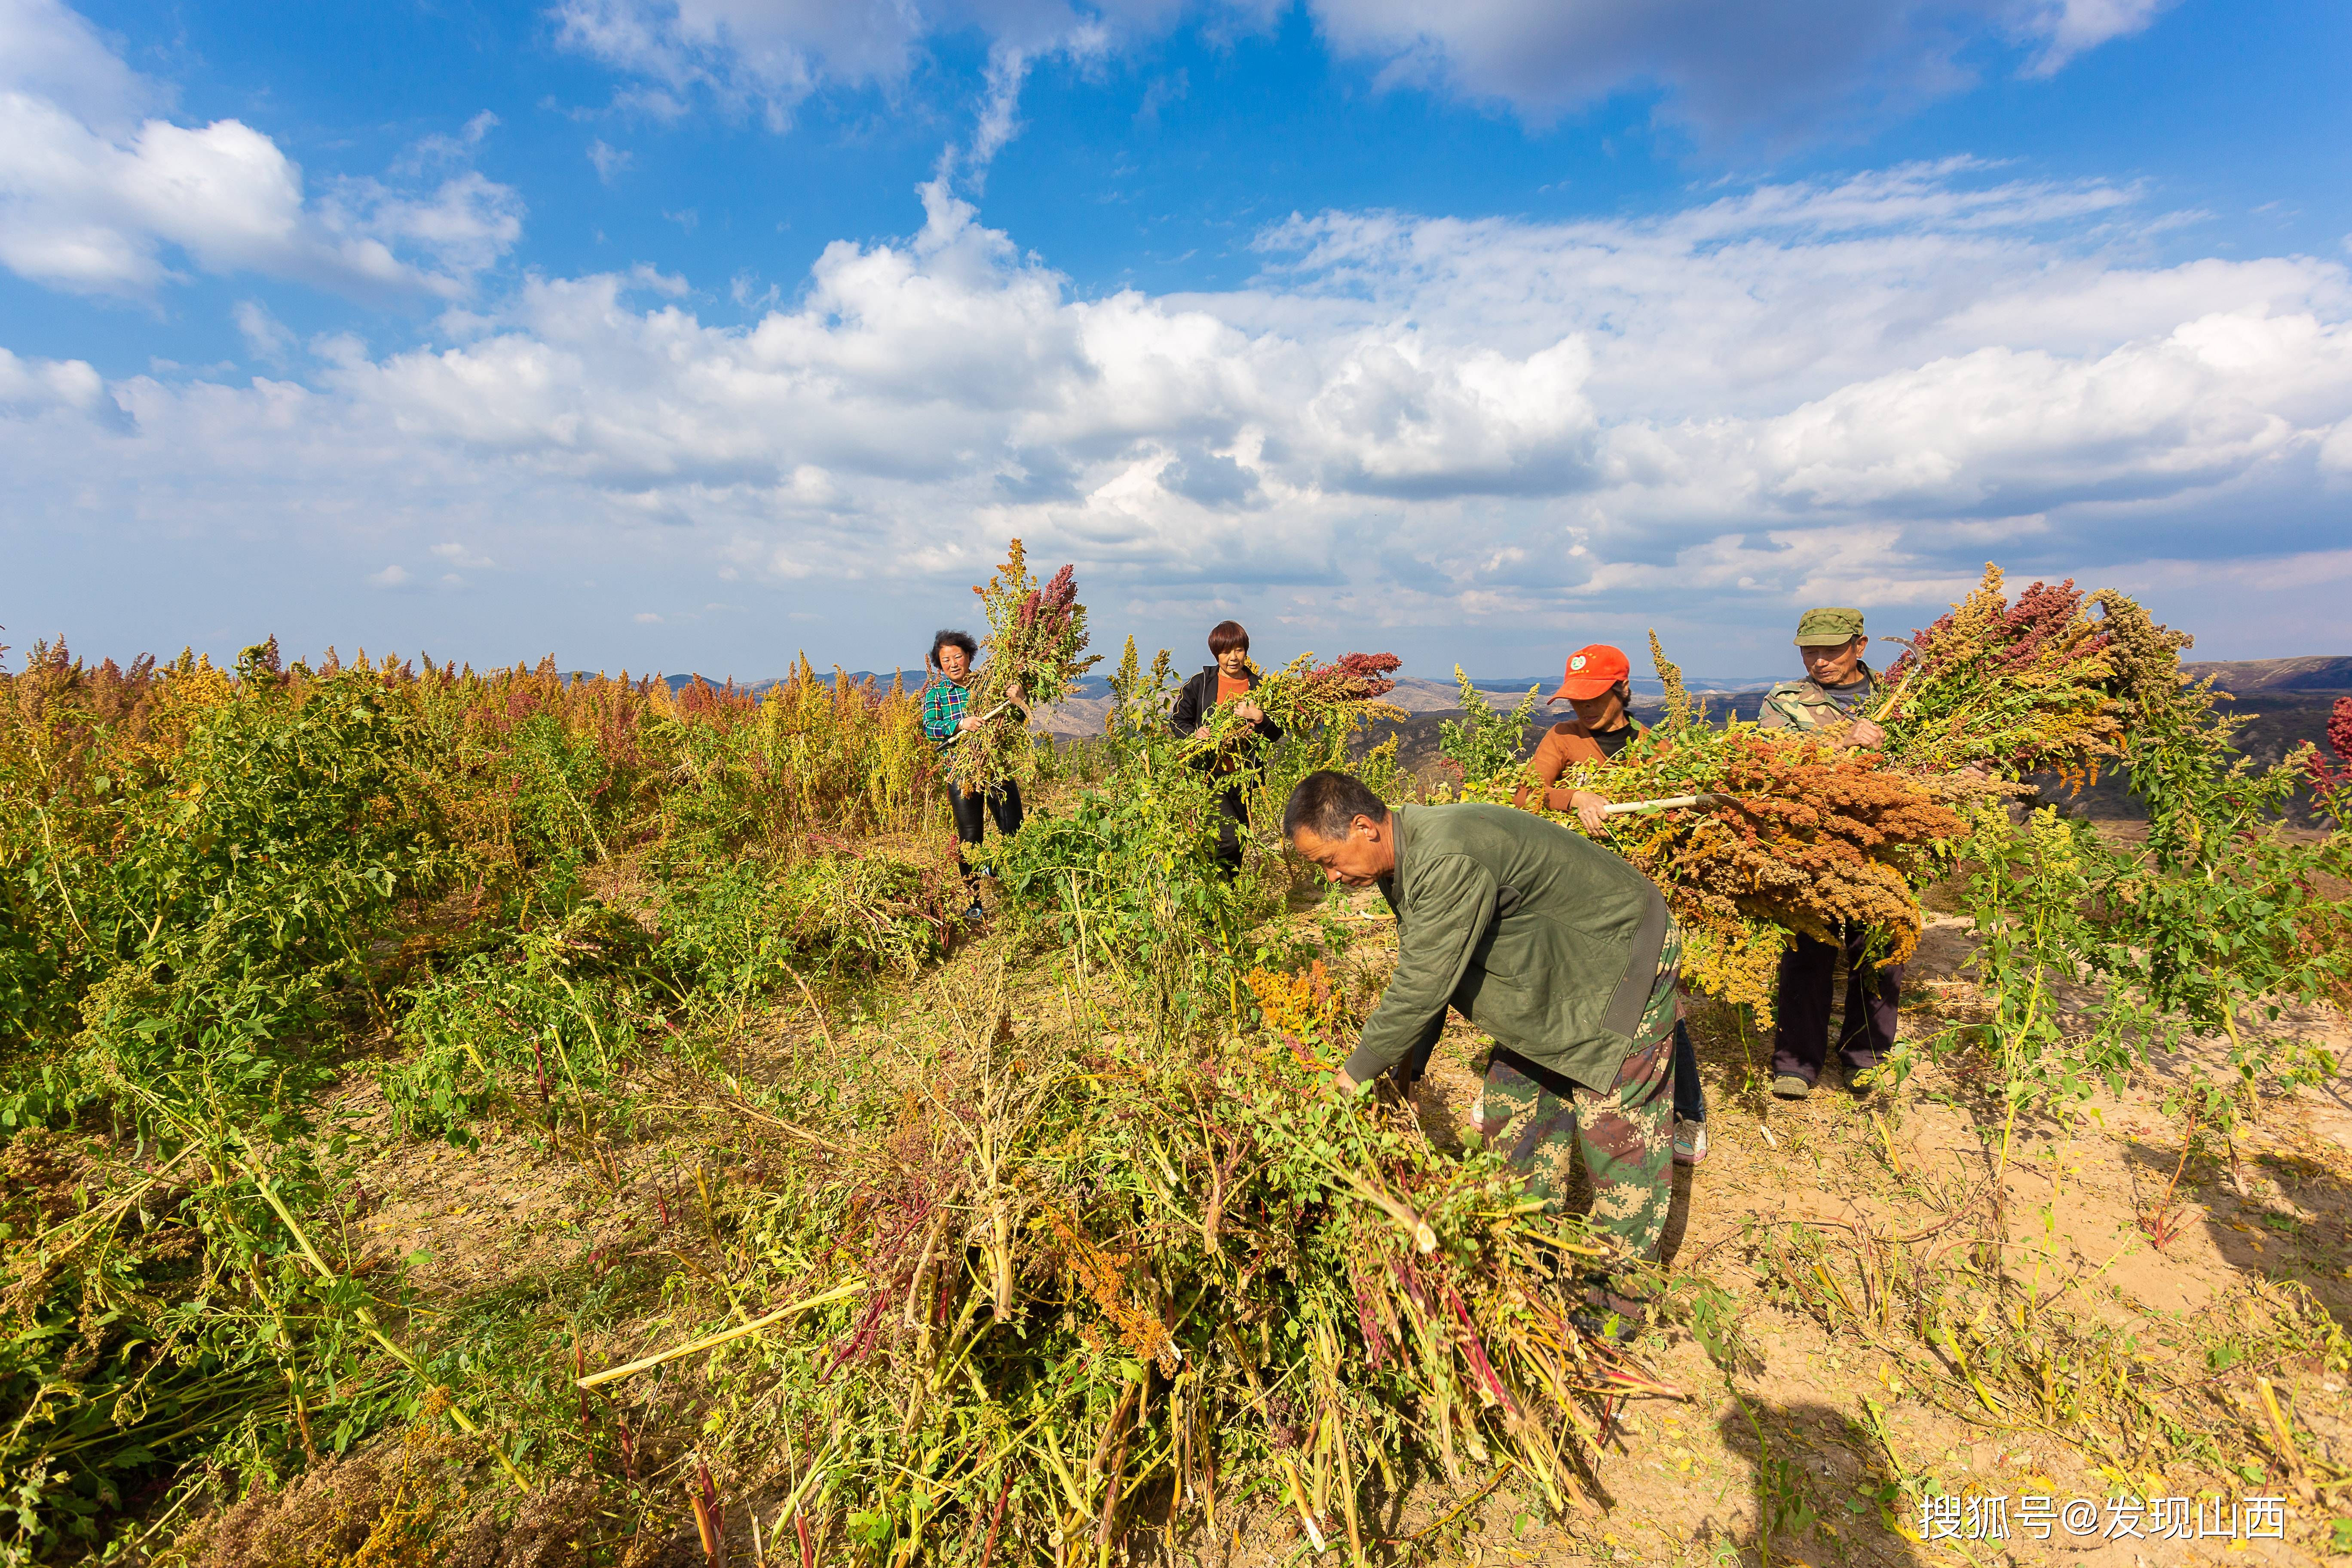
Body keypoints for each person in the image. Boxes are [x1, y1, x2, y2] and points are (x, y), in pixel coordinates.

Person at [1283, 771, 1680, 1311]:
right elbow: (1433, 965)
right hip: (1551, 977)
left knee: (1618, 1140)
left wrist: (1354, 1075)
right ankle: (1527, 1266)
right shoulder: (1403, 854)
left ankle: (1616, 1306)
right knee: (1515, 1122)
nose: (1330, 876)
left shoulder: (1446, 857)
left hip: (1618, 958)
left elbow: (1422, 983)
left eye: (1328, 861)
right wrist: (1411, 1069)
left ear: (1363, 828)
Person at [1511, 644, 1710, 1167]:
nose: (1582, 709)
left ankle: (1689, 1113)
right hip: (1581, 896)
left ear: (1622, 690)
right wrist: (1573, 799)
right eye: (1575, 699)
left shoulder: (1656, 749)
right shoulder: (1563, 739)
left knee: (1660, 1003)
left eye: (1593, 698)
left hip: (1642, 895)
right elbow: (1526, 796)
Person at [1758, 608, 1897, 1098]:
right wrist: (1843, 740)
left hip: (1887, 844)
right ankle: (1796, 1064)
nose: (1819, 661)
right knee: (1808, 948)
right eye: (1809, 651)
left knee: (1879, 948)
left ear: (1860, 646)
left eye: (1831, 650)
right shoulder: (1786, 700)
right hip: (1813, 846)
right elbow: (1773, 764)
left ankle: (1865, 1057)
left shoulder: (1902, 697)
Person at [919, 629, 1023, 923]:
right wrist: (959, 724)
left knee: (1013, 829)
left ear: (969, 657)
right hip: (961, 773)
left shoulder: (990, 686)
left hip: (996, 768)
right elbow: (929, 728)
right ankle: (974, 901)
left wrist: (1018, 697)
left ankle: (1002, 875)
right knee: (970, 839)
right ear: (939, 666)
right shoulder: (936, 694)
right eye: (946, 660)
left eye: (958, 656)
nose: (953, 664)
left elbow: (1017, 716)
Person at [1168, 621, 1285, 879]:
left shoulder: (1259, 687)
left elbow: (1276, 734)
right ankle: (1210, 898)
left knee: (1237, 845)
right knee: (1228, 839)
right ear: (1216, 653)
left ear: (1246, 652)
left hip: (1244, 779)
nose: (1233, 657)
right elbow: (1177, 720)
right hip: (1209, 777)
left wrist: (1259, 717)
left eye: (1239, 650)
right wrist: (1196, 734)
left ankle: (1222, 906)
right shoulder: (1201, 684)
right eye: (1226, 651)